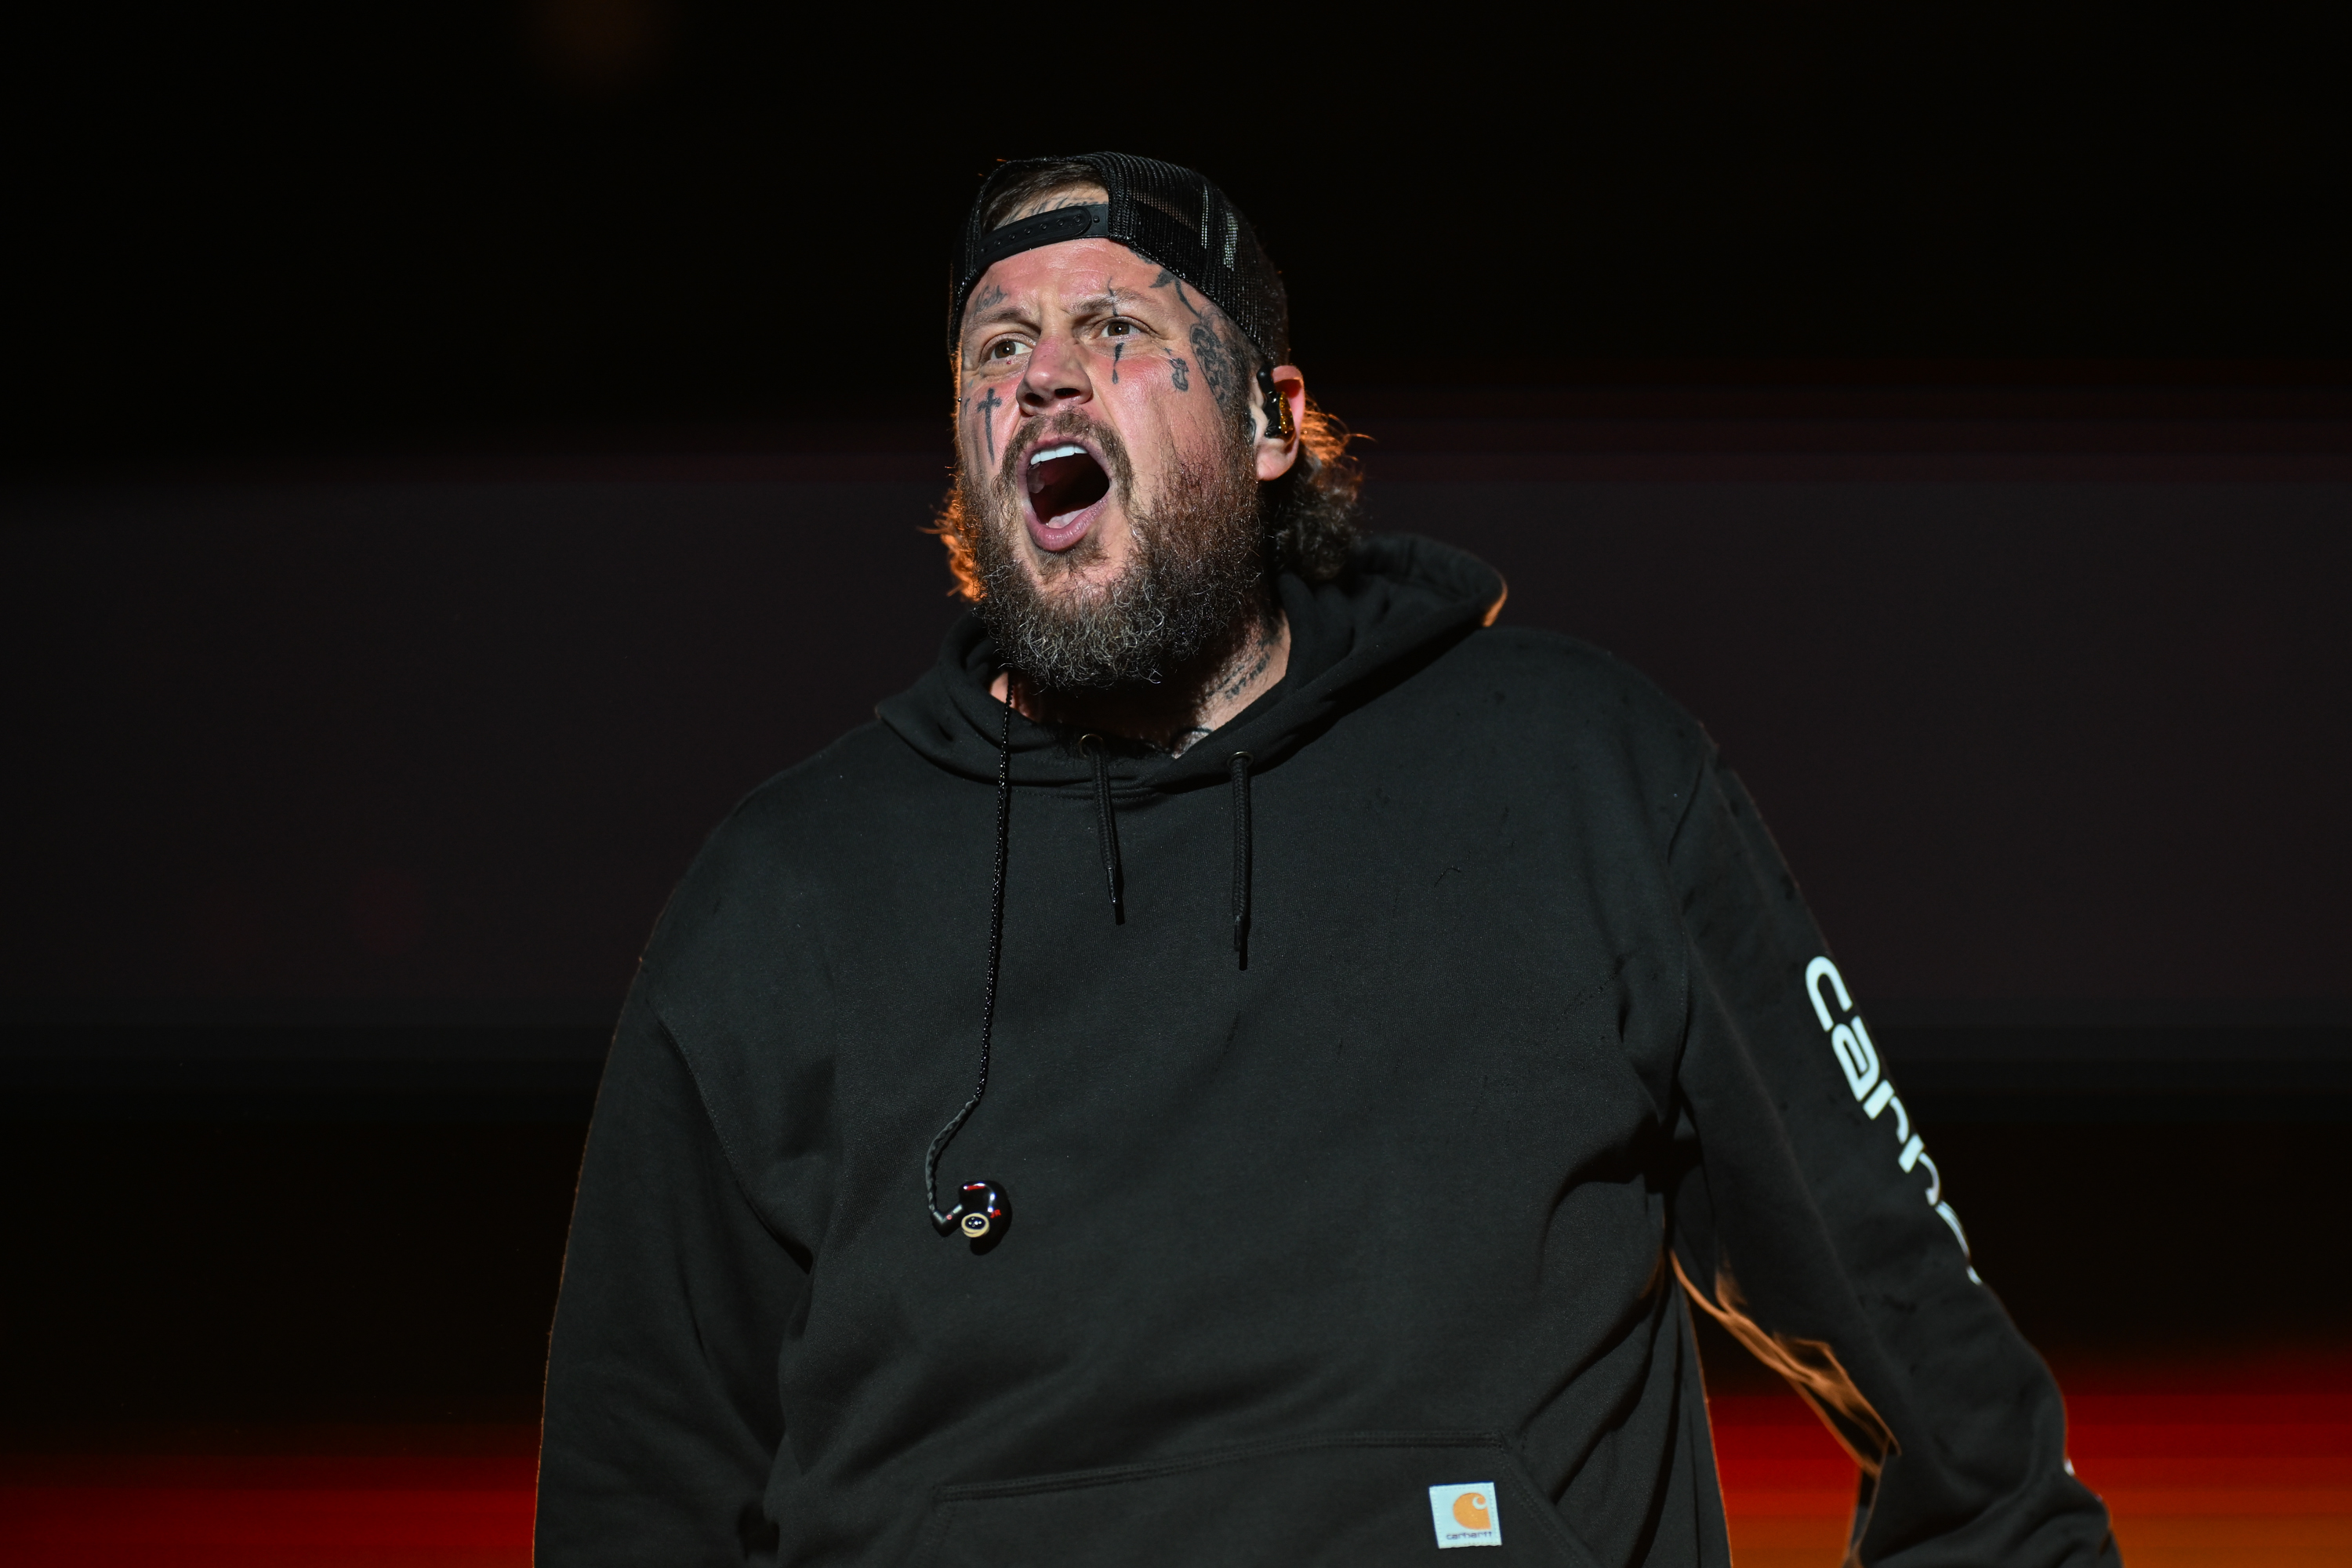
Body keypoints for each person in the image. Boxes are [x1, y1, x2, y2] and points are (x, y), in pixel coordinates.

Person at [535, 152, 2116, 1566]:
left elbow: (1939, 1383)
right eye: (997, 349)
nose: (1047, 381)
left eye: (1122, 329)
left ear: (1273, 419)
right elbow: (637, 1489)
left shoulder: (1574, 779)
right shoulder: (785, 898)